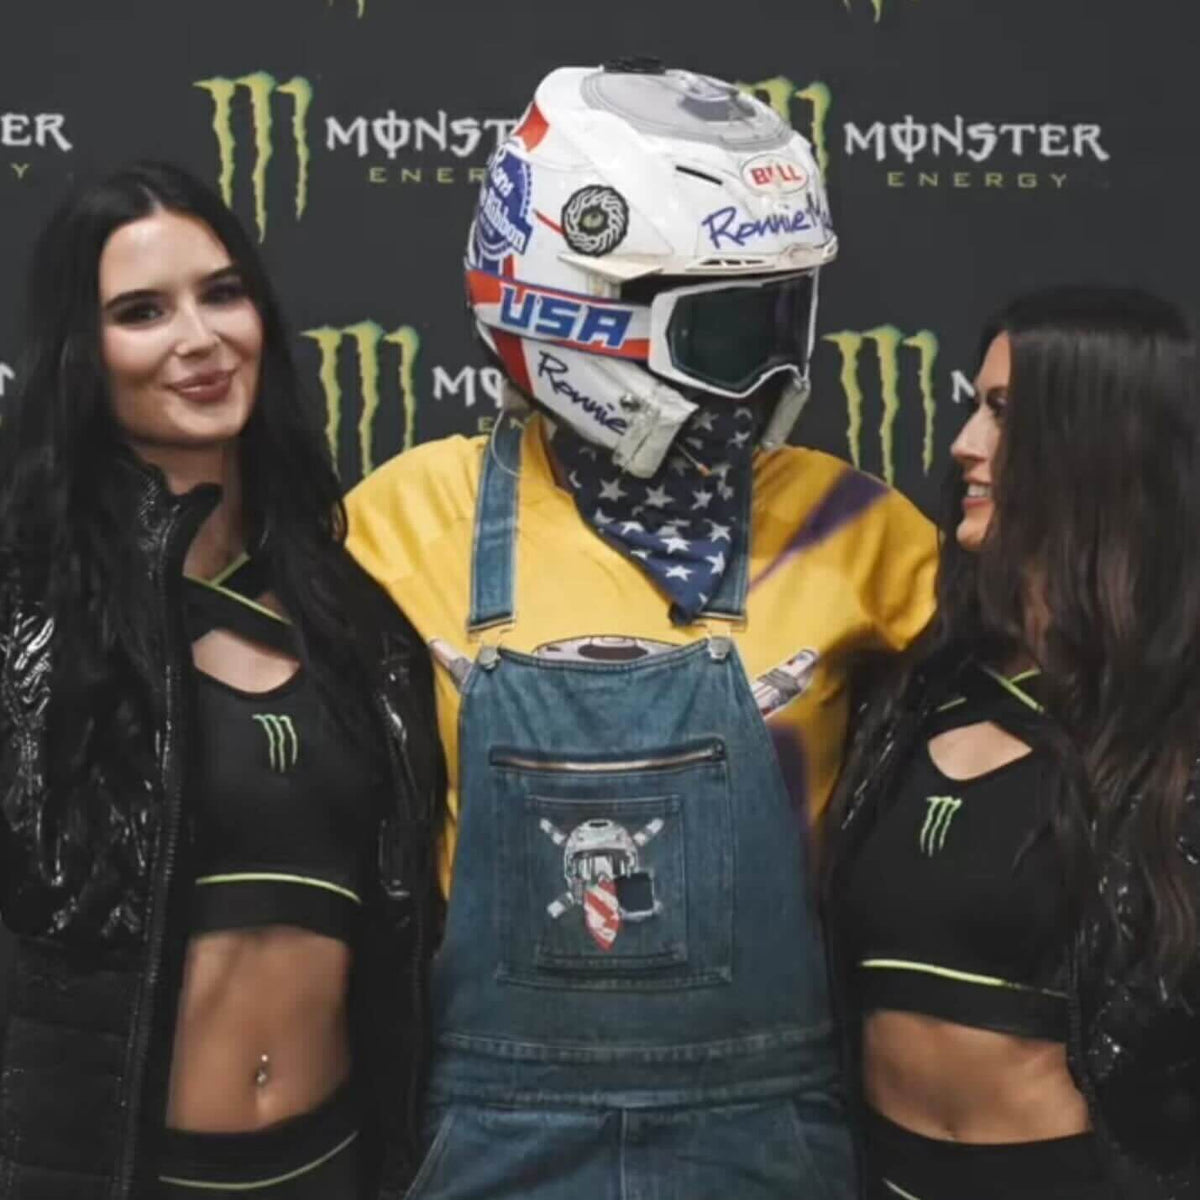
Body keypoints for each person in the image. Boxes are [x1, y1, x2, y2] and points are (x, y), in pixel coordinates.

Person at [346, 61, 936, 1198]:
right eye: (725, 331)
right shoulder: (396, 522)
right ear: (577, 315)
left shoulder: (863, 529)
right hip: (490, 1127)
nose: (769, 370)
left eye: (783, 318)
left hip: (767, 1131)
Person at [0, 161, 441, 1200]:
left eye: (222, 292)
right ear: (81, 352)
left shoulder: (356, 614)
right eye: (142, 311)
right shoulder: (25, 615)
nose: (198, 340)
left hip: (333, 1166)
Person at [823, 285, 1200, 1200]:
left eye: (1002, 414)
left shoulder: (1173, 733)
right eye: (972, 407)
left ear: (1095, 446)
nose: (964, 445)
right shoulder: (916, 687)